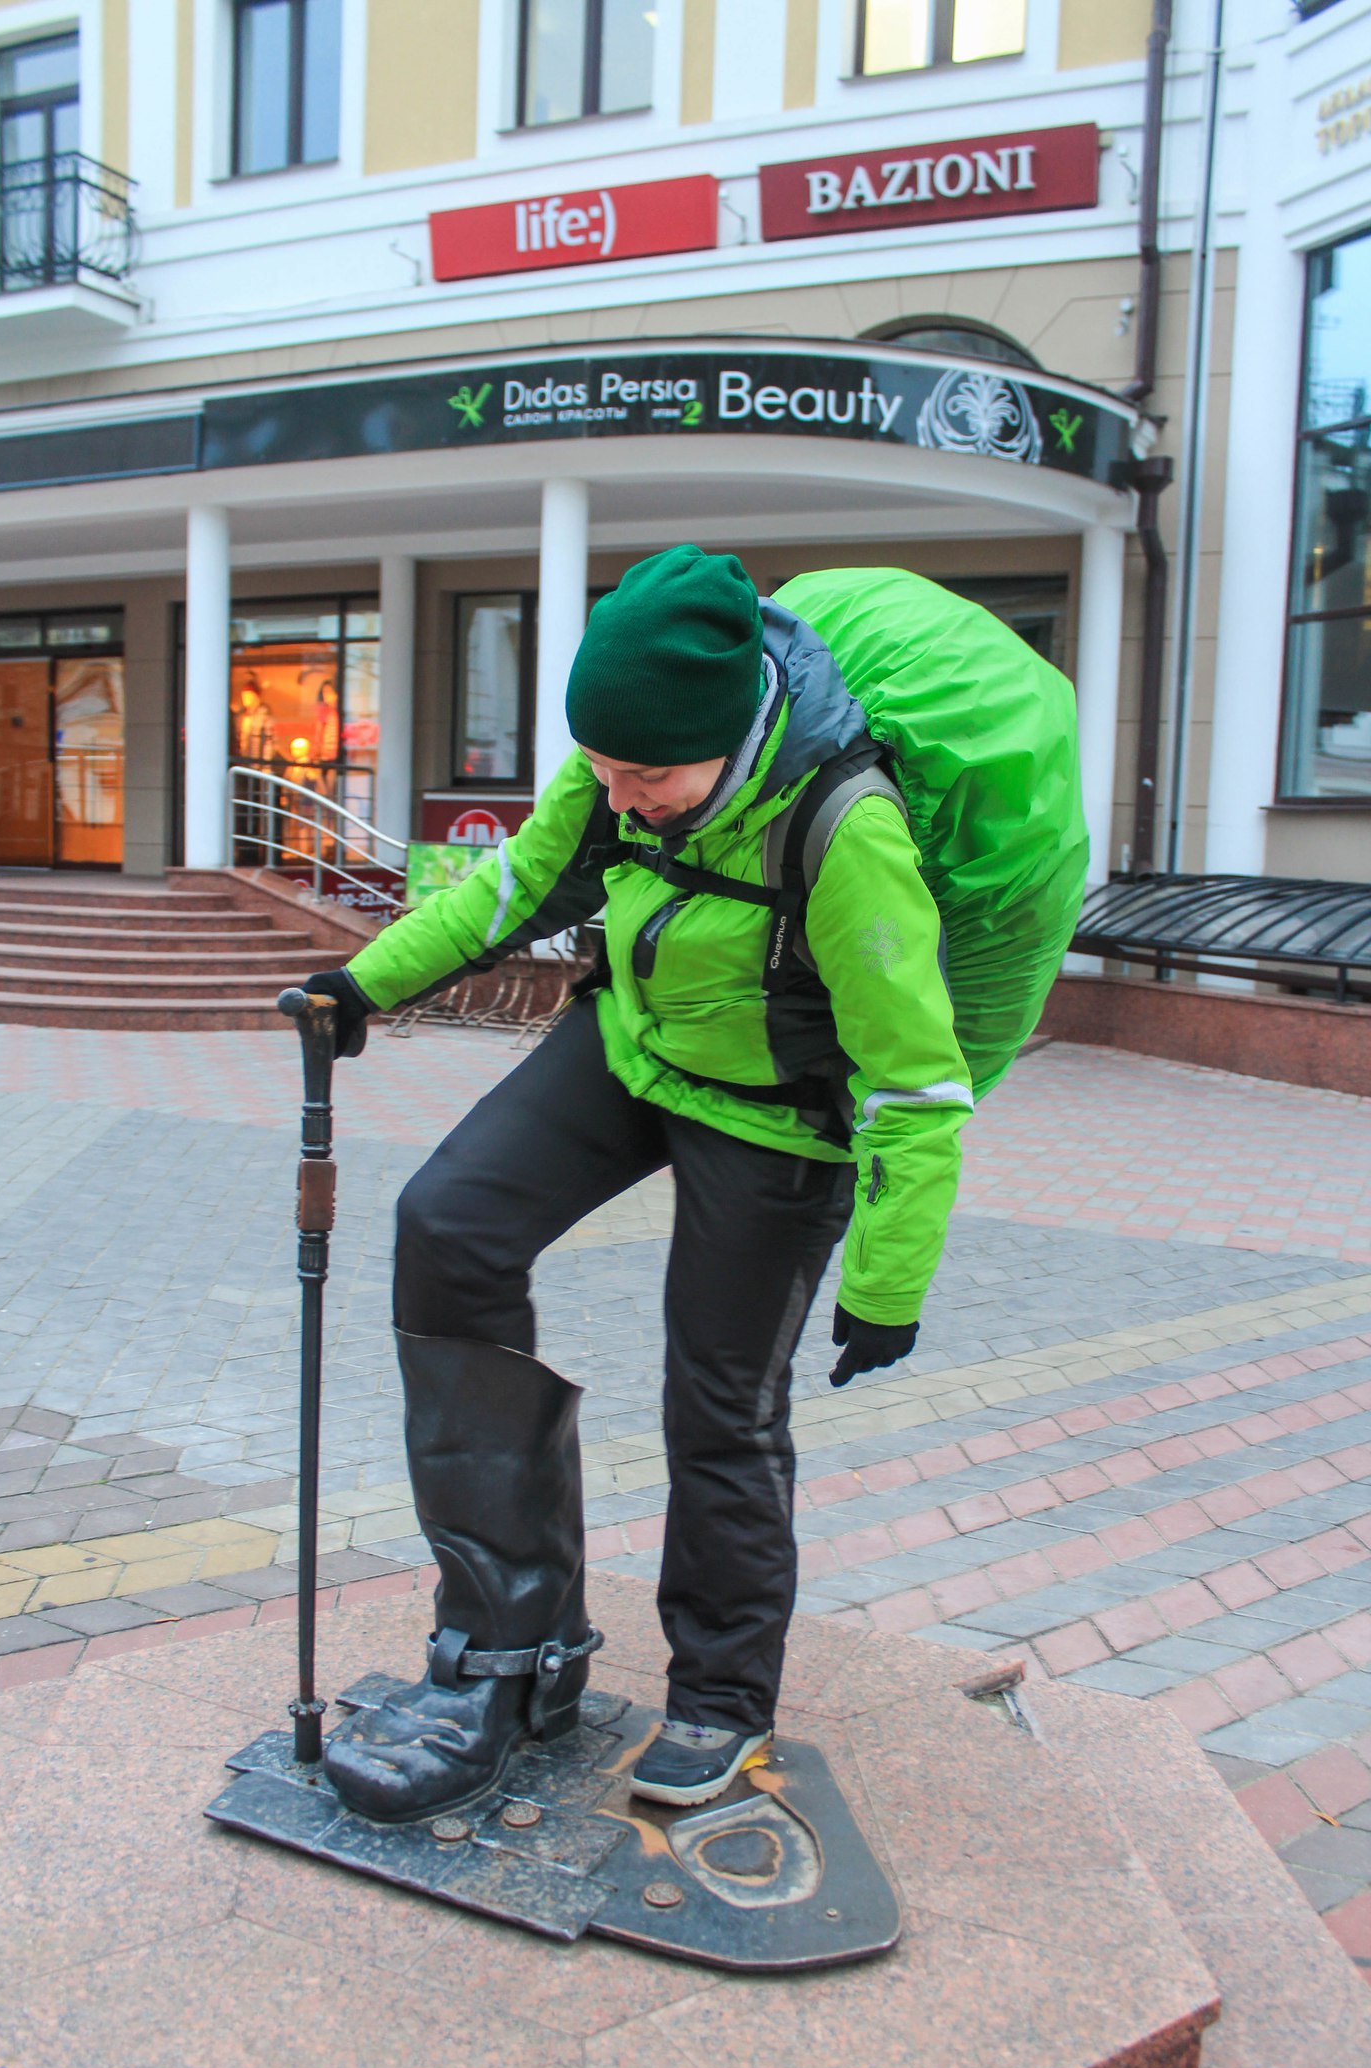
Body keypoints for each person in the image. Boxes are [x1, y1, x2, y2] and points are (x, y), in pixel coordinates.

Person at [304, 544, 972, 1824]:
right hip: (635, 1046)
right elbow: (510, 881)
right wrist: (362, 986)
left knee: (717, 1401)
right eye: (604, 770)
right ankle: (512, 1642)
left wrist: (890, 1282)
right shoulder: (626, 759)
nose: (621, 796)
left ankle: (720, 1694)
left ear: (735, 734)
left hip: (781, 1115)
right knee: (447, 1224)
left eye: (646, 778)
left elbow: (915, 1084)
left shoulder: (848, 833)